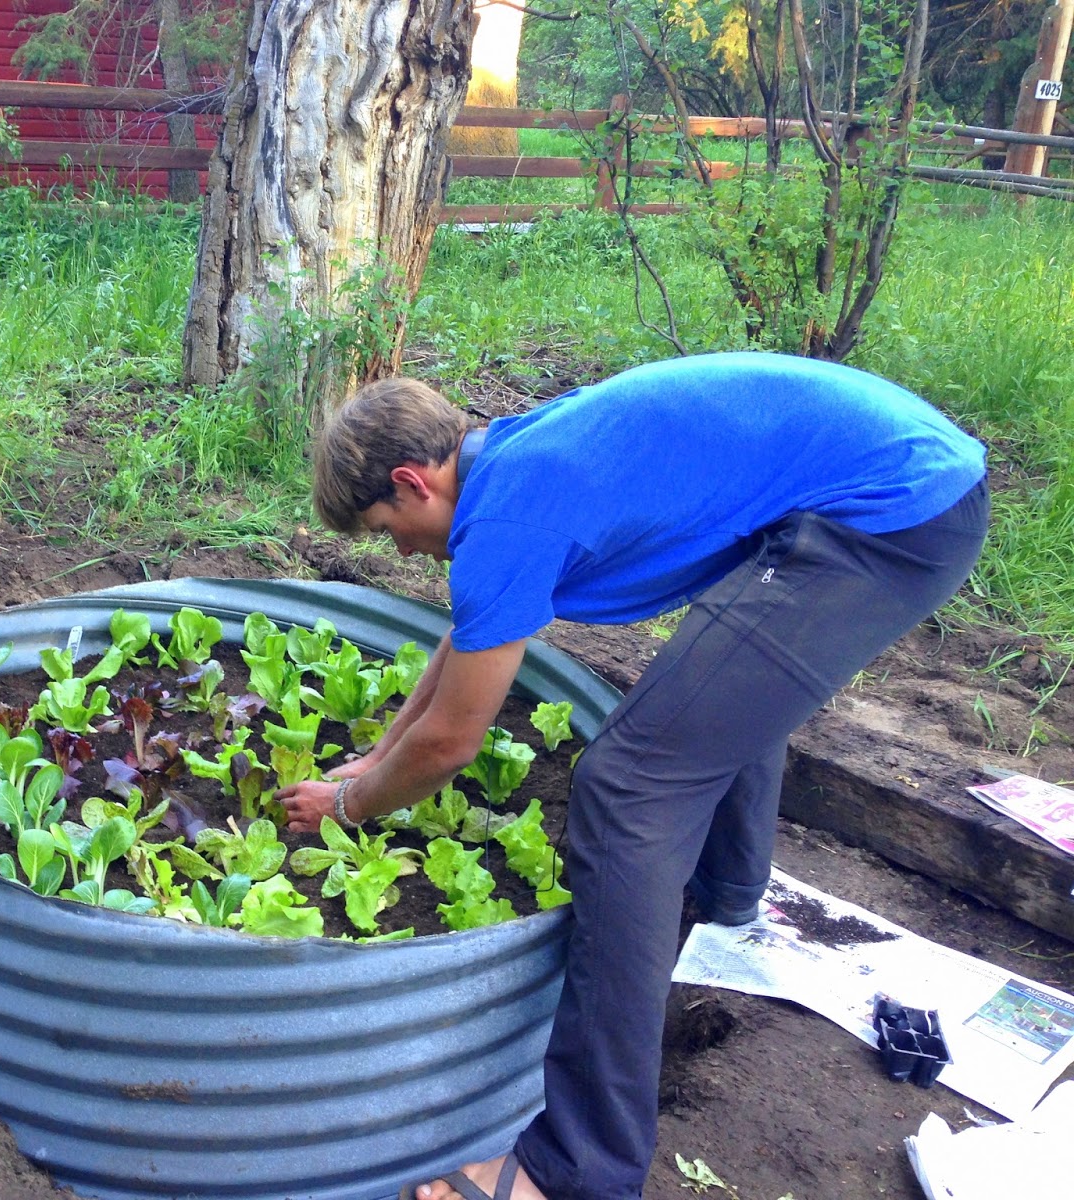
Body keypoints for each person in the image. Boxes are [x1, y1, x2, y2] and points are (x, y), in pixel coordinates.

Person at [277, 351, 988, 1200]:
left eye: (386, 529)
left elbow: (451, 744)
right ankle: (723, 901)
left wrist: (349, 805)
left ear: (410, 482)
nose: (400, 549)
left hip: (887, 517)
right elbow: (474, 631)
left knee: (629, 783)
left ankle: (573, 1168)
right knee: (708, 701)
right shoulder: (508, 461)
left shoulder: (510, 517)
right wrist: (376, 753)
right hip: (885, 477)